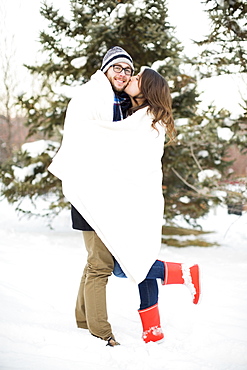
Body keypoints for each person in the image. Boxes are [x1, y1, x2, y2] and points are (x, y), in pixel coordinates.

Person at [49, 65, 201, 346]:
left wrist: (85, 131)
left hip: (137, 201)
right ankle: (154, 322)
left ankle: (180, 276)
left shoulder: (148, 120)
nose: (131, 78)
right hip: (124, 201)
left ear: (147, 90)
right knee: (126, 262)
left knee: (125, 264)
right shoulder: (133, 114)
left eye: (137, 78)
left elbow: (119, 151)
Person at [49, 46, 134, 347]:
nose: (123, 73)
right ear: (106, 69)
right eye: (118, 68)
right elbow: (91, 140)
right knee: (101, 265)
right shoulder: (93, 97)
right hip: (90, 190)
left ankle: (83, 319)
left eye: (128, 69)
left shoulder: (117, 101)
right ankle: (102, 333)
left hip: (100, 191)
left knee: (94, 260)